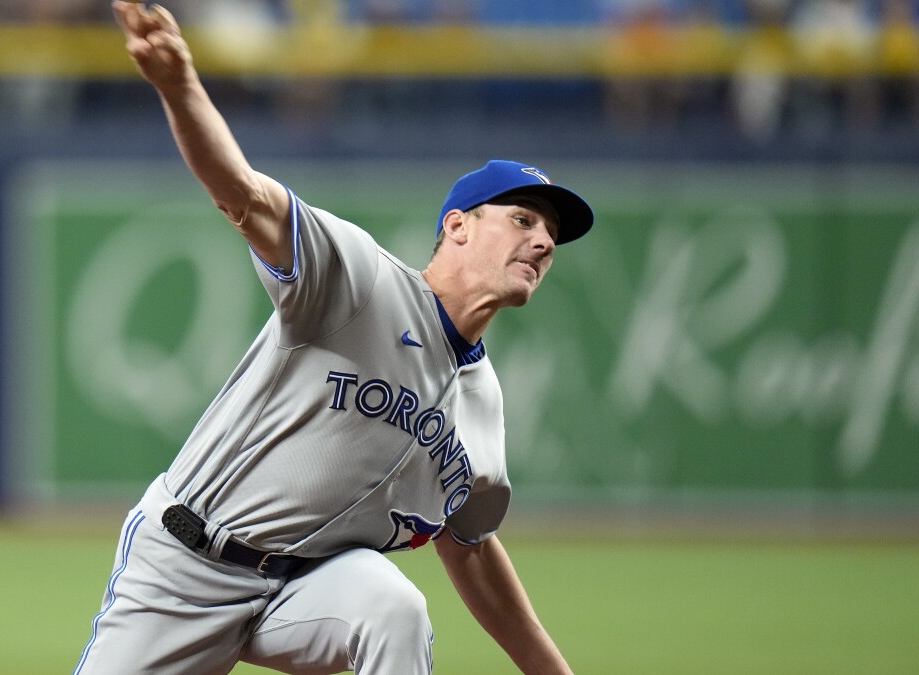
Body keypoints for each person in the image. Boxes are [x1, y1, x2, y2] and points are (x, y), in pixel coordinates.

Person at [74, 3, 595, 674]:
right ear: (458, 225)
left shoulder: (483, 402)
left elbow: (470, 544)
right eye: (522, 218)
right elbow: (243, 193)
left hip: (306, 588)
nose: (544, 241)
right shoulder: (359, 280)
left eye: (550, 237)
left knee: (394, 607)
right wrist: (180, 87)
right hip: (187, 564)